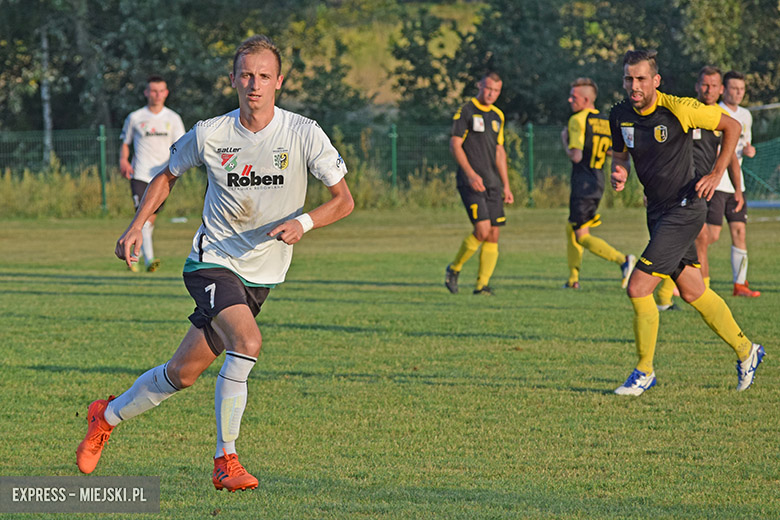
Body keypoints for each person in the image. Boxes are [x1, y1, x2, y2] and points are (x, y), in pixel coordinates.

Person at [76, 35, 354, 491]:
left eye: (264, 76)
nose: (255, 84)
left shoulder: (303, 132)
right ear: (233, 80)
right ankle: (226, 459)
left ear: (279, 82)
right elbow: (165, 176)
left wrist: (304, 222)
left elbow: (343, 201)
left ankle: (104, 416)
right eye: (246, 75)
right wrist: (134, 226)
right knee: (247, 341)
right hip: (212, 261)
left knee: (181, 375)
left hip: (262, 273)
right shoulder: (211, 133)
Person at [609, 49, 764, 396]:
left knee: (638, 287)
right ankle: (746, 350)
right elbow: (619, 153)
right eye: (628, 79)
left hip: (686, 207)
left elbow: (732, 126)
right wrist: (618, 171)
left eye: (641, 79)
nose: (634, 85)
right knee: (694, 290)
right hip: (657, 211)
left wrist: (716, 172)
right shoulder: (619, 114)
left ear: (656, 80)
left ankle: (644, 371)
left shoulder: (678, 107)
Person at [560, 77, 636, 290]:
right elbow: (614, 151)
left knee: (581, 235)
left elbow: (575, 156)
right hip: (598, 181)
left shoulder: (577, 120)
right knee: (572, 227)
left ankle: (623, 260)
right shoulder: (605, 120)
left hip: (583, 182)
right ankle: (573, 279)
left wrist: (565, 141)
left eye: (573, 97)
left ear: (585, 99)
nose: (570, 100)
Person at [444, 72, 514, 295]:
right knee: (482, 230)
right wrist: (471, 175)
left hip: (493, 182)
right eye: (488, 89)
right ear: (479, 86)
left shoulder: (497, 116)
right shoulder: (466, 110)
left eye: (496, 91)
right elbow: (455, 145)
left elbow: (499, 151)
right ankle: (454, 268)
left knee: (493, 233)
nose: (491, 94)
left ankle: (481, 285)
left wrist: (506, 184)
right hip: (471, 182)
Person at [119, 75, 186, 272]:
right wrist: (123, 160)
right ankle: (149, 260)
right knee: (144, 220)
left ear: (166, 93)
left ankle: (134, 256)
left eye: (161, 91)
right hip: (140, 174)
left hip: (164, 177)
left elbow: (181, 145)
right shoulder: (135, 117)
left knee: (150, 221)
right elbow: (125, 142)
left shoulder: (173, 119)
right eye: (153, 91)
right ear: (146, 92)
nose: (157, 95)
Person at [706, 70, 760, 297]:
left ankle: (740, 285)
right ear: (723, 90)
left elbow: (745, 146)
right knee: (711, 235)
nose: (738, 93)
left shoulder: (746, 115)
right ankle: (687, 273)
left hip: (736, 184)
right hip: (717, 182)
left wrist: (750, 151)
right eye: (734, 89)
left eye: (742, 89)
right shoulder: (714, 112)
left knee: (739, 231)